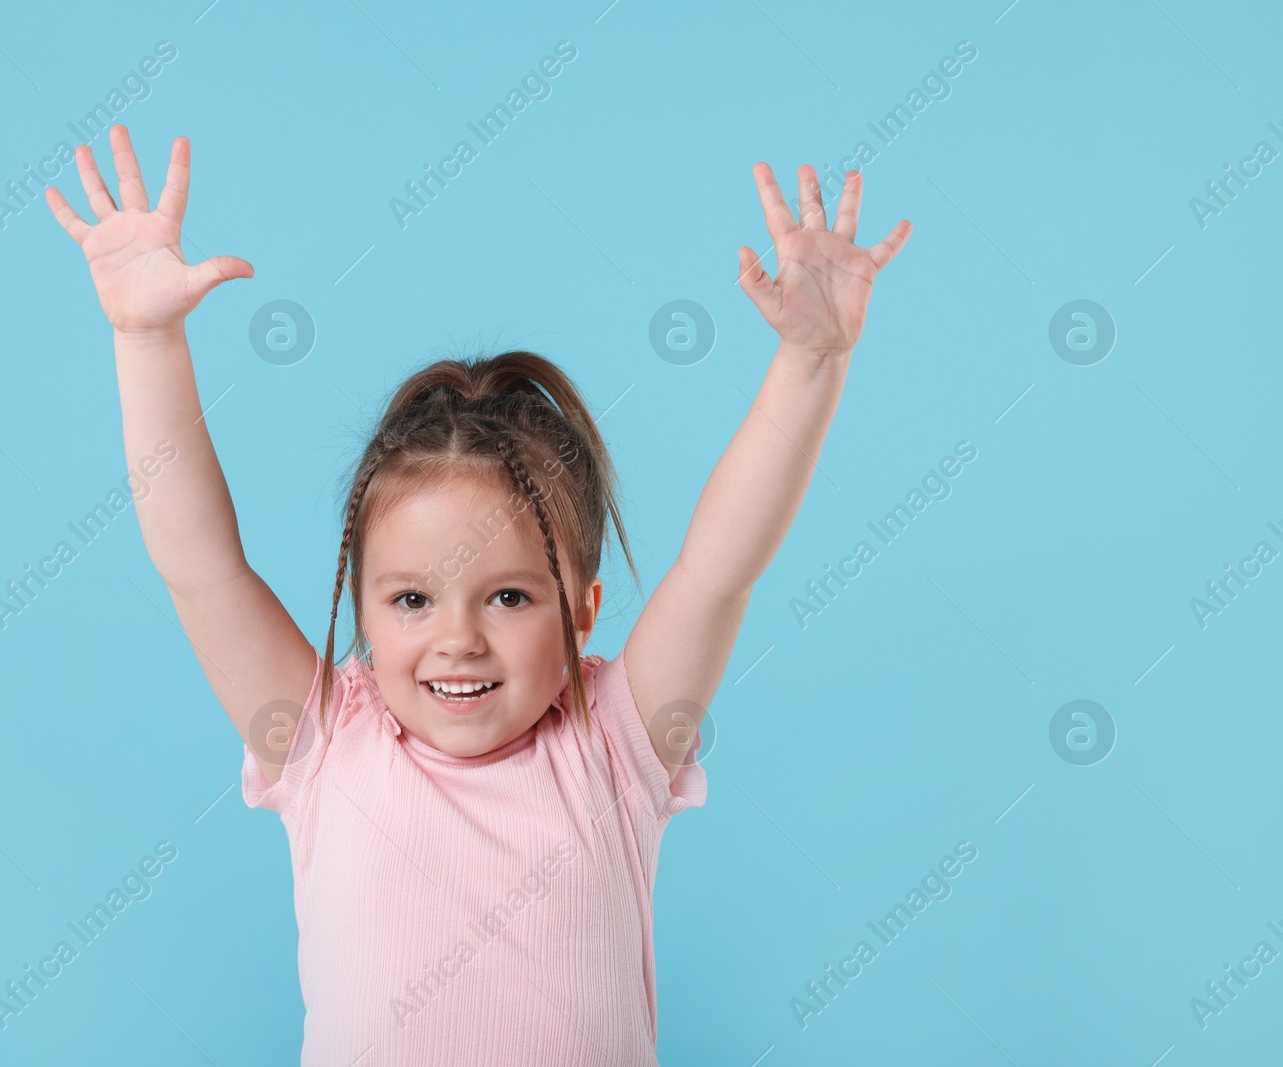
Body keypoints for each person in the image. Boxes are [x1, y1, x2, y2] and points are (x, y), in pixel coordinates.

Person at [46, 124, 910, 1066]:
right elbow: (201, 565)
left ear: (582, 611)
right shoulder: (328, 744)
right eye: (412, 600)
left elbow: (720, 566)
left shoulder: (612, 744)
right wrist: (146, 338)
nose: (457, 640)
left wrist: (811, 361)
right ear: (363, 610)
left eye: (507, 598)